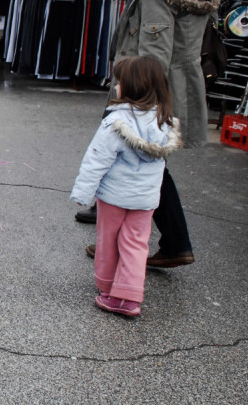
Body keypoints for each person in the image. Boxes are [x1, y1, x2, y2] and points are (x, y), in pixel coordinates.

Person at [83, 0, 220, 269]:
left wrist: (131, 99)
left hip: (151, 90)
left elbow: (151, 56)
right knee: (147, 163)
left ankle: (153, 244)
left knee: (139, 162)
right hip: (179, 83)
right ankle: (160, 240)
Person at [71, 56, 181, 317]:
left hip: (114, 198)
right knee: (136, 243)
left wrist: (84, 192)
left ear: (131, 87)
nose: (116, 85)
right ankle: (129, 296)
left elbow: (96, 159)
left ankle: (108, 289)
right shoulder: (163, 123)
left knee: (108, 241)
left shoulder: (115, 123)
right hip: (145, 200)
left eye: (119, 81)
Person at [75, 0, 153, 225]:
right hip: (136, 84)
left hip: (136, 86)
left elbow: (153, 48)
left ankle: (108, 209)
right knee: (144, 158)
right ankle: (162, 234)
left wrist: (131, 86)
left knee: (123, 149)